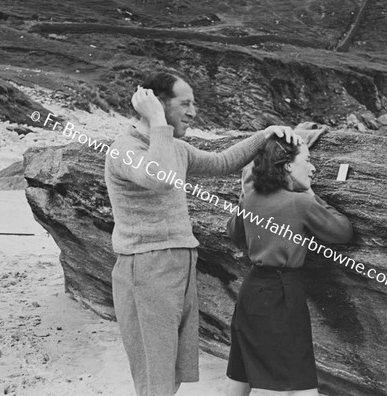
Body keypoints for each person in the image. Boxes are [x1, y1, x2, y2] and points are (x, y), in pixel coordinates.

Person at [104, 70, 303, 396]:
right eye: (185, 103)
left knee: (172, 372)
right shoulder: (124, 148)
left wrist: (264, 134)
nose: (193, 112)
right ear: (156, 103)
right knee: (155, 377)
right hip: (145, 266)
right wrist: (157, 121)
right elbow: (159, 177)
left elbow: (222, 161)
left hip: (178, 263)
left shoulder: (173, 148)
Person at [225, 134, 354, 396]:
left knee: (241, 374)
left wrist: (245, 194)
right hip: (281, 296)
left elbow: (235, 233)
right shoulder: (301, 202)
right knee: (299, 383)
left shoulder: (252, 197)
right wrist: (311, 193)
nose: (313, 167)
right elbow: (342, 232)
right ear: (287, 166)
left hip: (250, 294)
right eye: (307, 160)